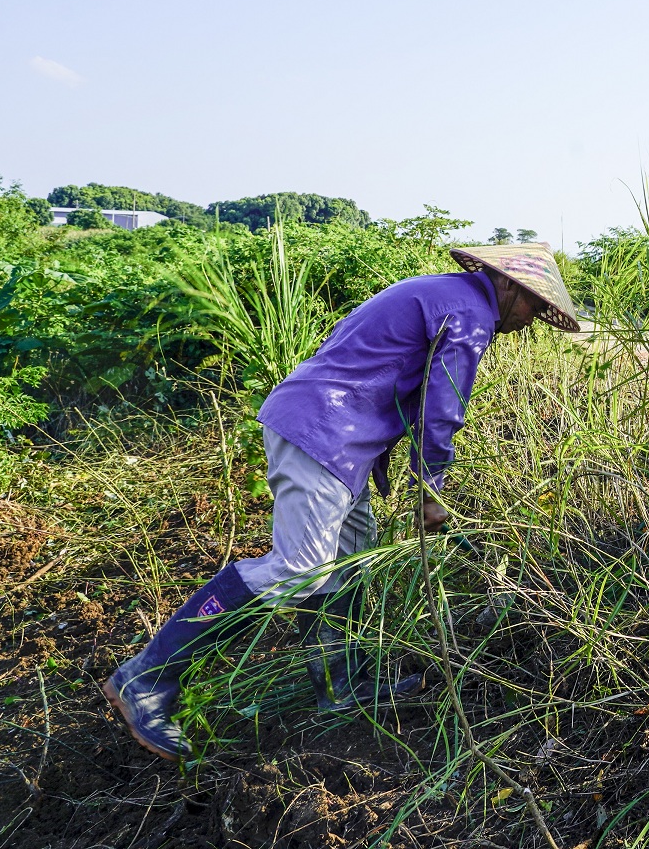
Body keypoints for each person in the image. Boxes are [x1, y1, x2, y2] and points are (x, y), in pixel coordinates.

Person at [102, 244, 581, 761]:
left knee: (354, 555)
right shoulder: (469, 312)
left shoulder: (437, 292)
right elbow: (442, 406)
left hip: (338, 440)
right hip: (323, 433)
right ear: (509, 285)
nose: (531, 320)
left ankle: (340, 685)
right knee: (299, 569)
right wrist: (431, 486)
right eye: (534, 306)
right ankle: (146, 678)